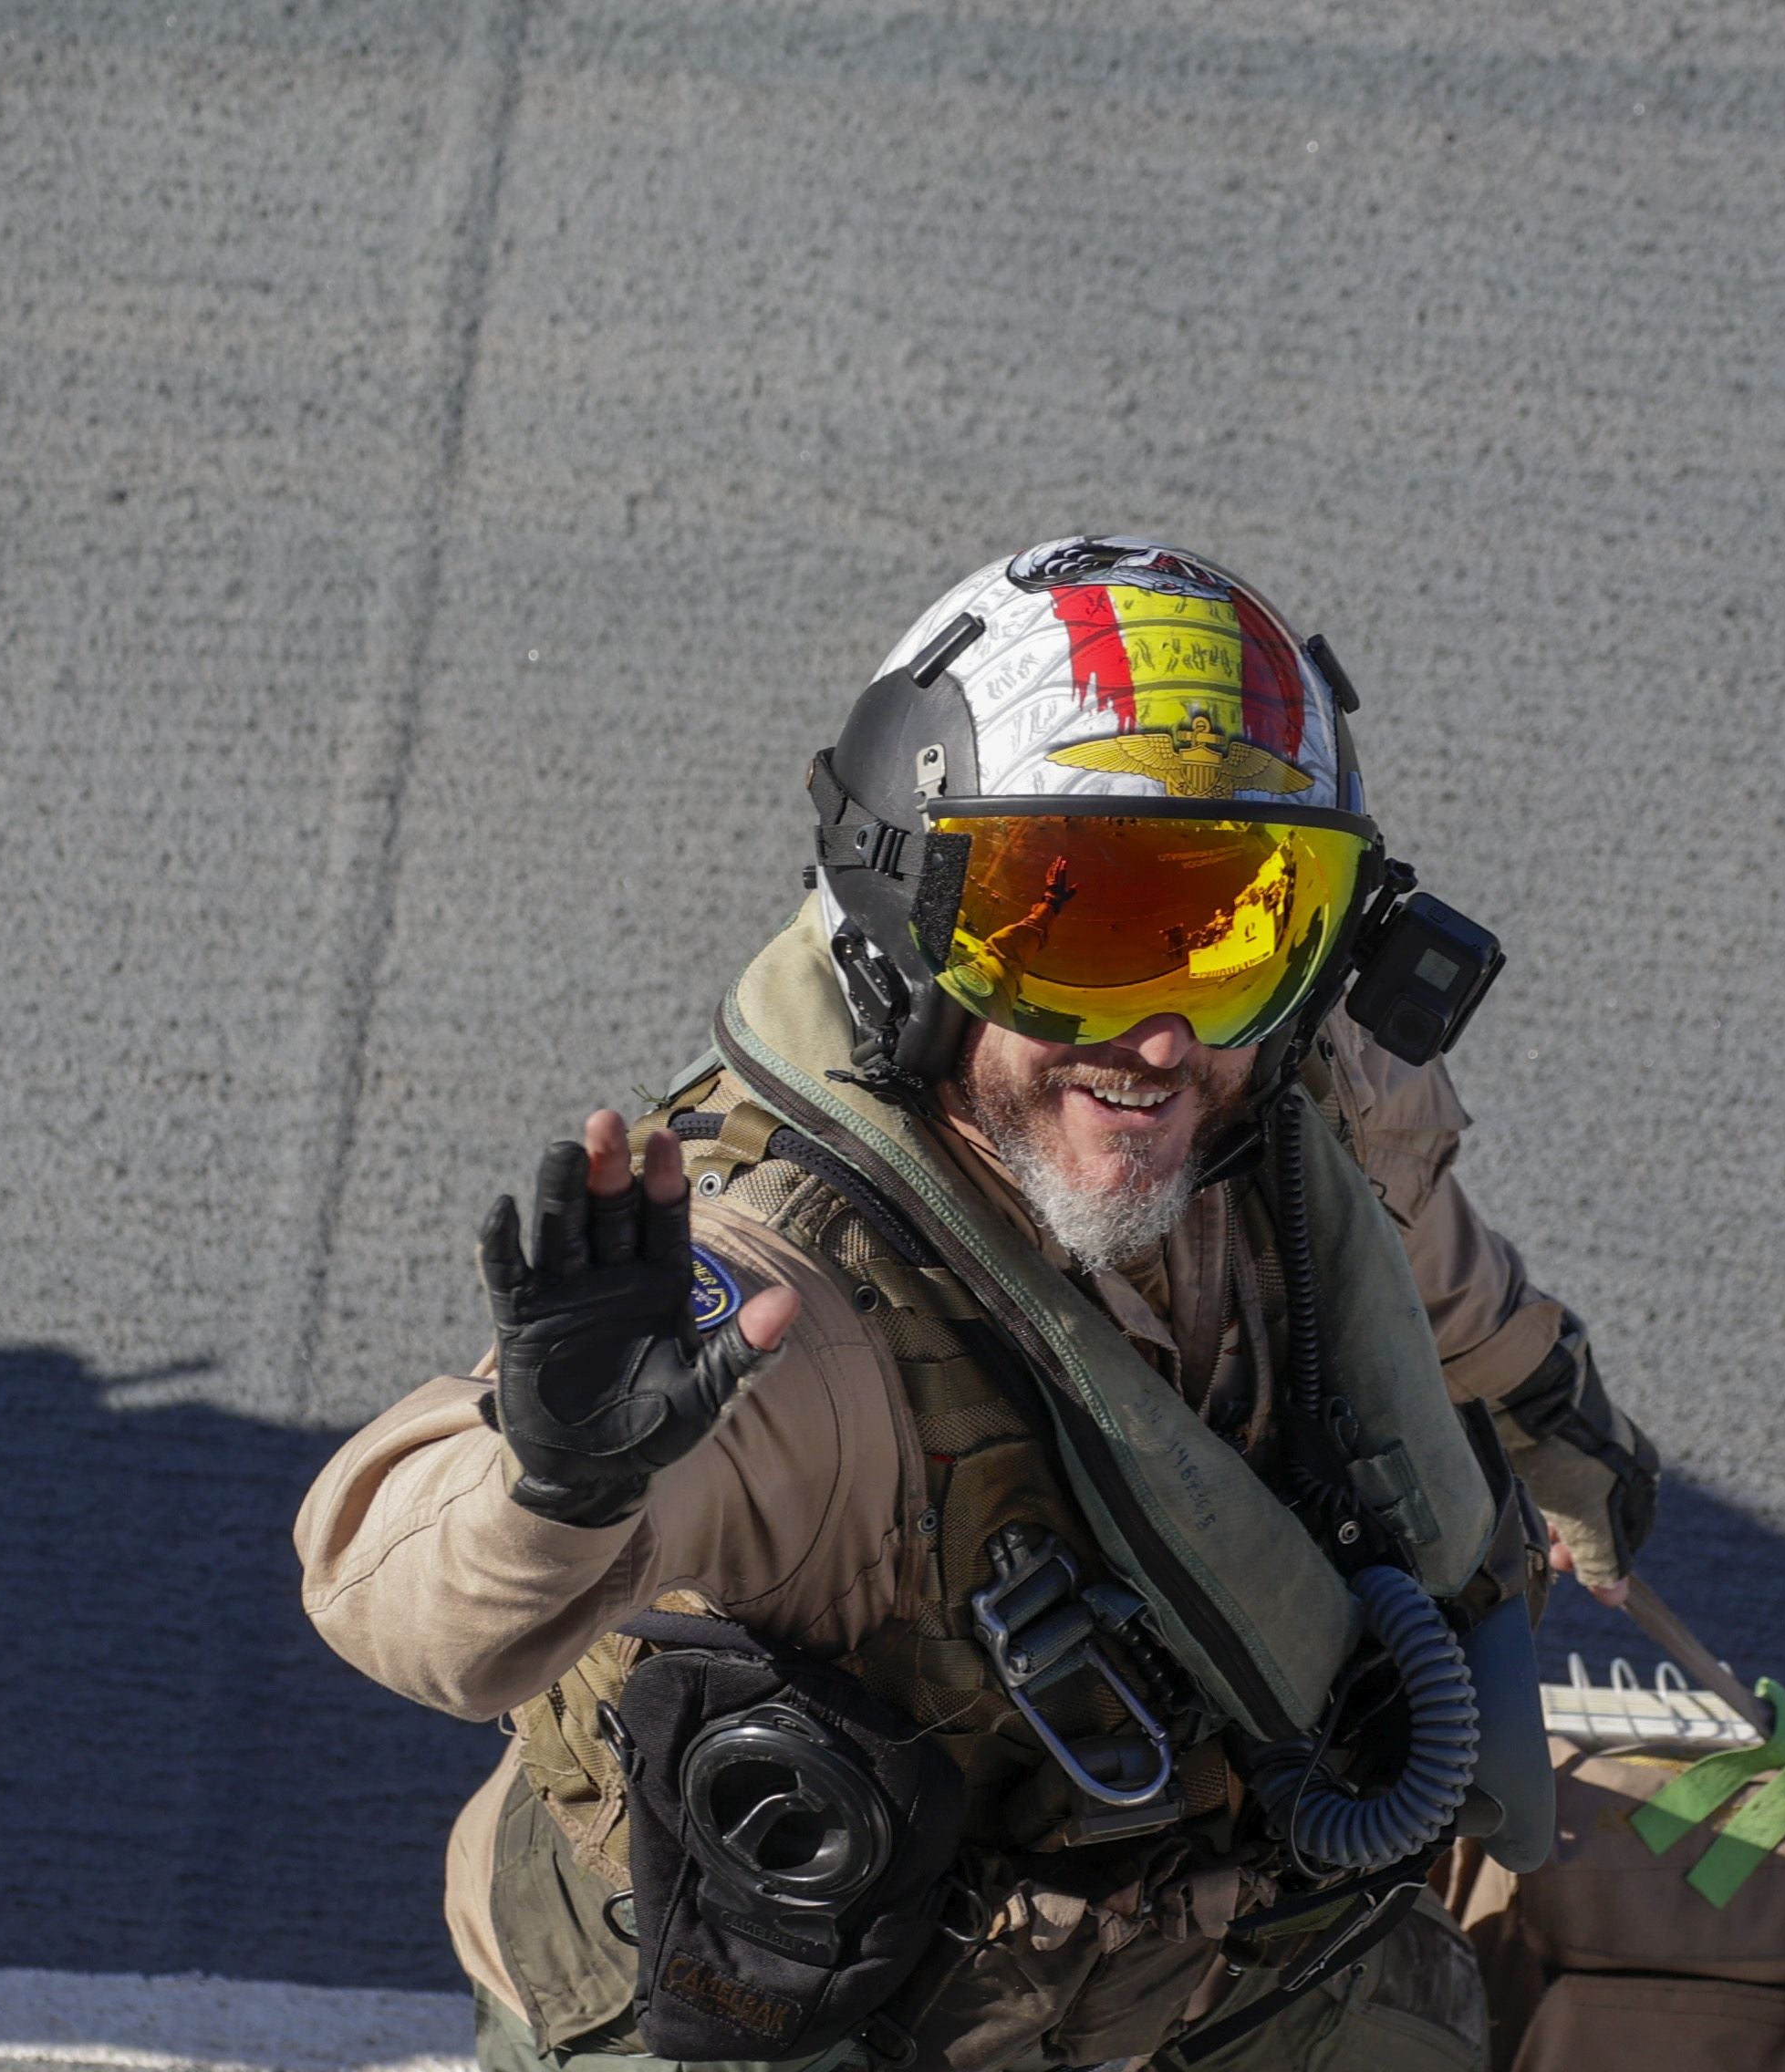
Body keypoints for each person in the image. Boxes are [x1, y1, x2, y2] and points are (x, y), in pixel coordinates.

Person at [297, 537, 1661, 2072]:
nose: (1157, 1040)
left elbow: (1445, 1287)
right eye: (1073, 930)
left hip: (1222, 1966)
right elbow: (405, 1609)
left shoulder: (1299, 1098)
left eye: (1230, 922)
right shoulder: (791, 1324)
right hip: (848, 2012)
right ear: (905, 932)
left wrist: (1580, 1464)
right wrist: (555, 1488)